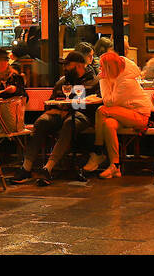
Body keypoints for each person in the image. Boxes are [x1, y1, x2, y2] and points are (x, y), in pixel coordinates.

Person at [10, 51, 99, 185]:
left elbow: (93, 106)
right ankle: (26, 167)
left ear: (79, 66)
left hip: (82, 117)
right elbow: (51, 102)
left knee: (70, 123)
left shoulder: (94, 82)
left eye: (68, 65)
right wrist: (56, 110)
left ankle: (48, 168)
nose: (65, 68)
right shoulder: (62, 82)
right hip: (59, 114)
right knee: (41, 122)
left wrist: (69, 111)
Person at [88, 51, 153, 179]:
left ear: (109, 68)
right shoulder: (117, 77)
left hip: (139, 115)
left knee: (101, 110)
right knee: (108, 124)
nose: (99, 69)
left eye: (102, 67)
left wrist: (102, 80)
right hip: (124, 113)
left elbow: (108, 102)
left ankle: (98, 150)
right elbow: (112, 102)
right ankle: (115, 166)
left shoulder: (125, 82)